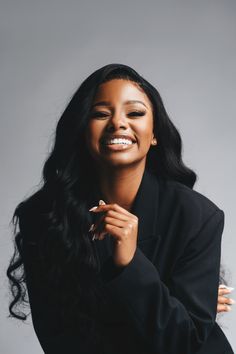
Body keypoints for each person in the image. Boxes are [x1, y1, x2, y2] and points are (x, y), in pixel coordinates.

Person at [7, 63, 234, 354]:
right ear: (81, 131)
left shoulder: (197, 216)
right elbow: (61, 341)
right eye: (101, 113)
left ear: (154, 134)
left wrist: (130, 264)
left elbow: (186, 345)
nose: (118, 123)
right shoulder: (43, 217)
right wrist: (169, 302)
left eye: (135, 113)